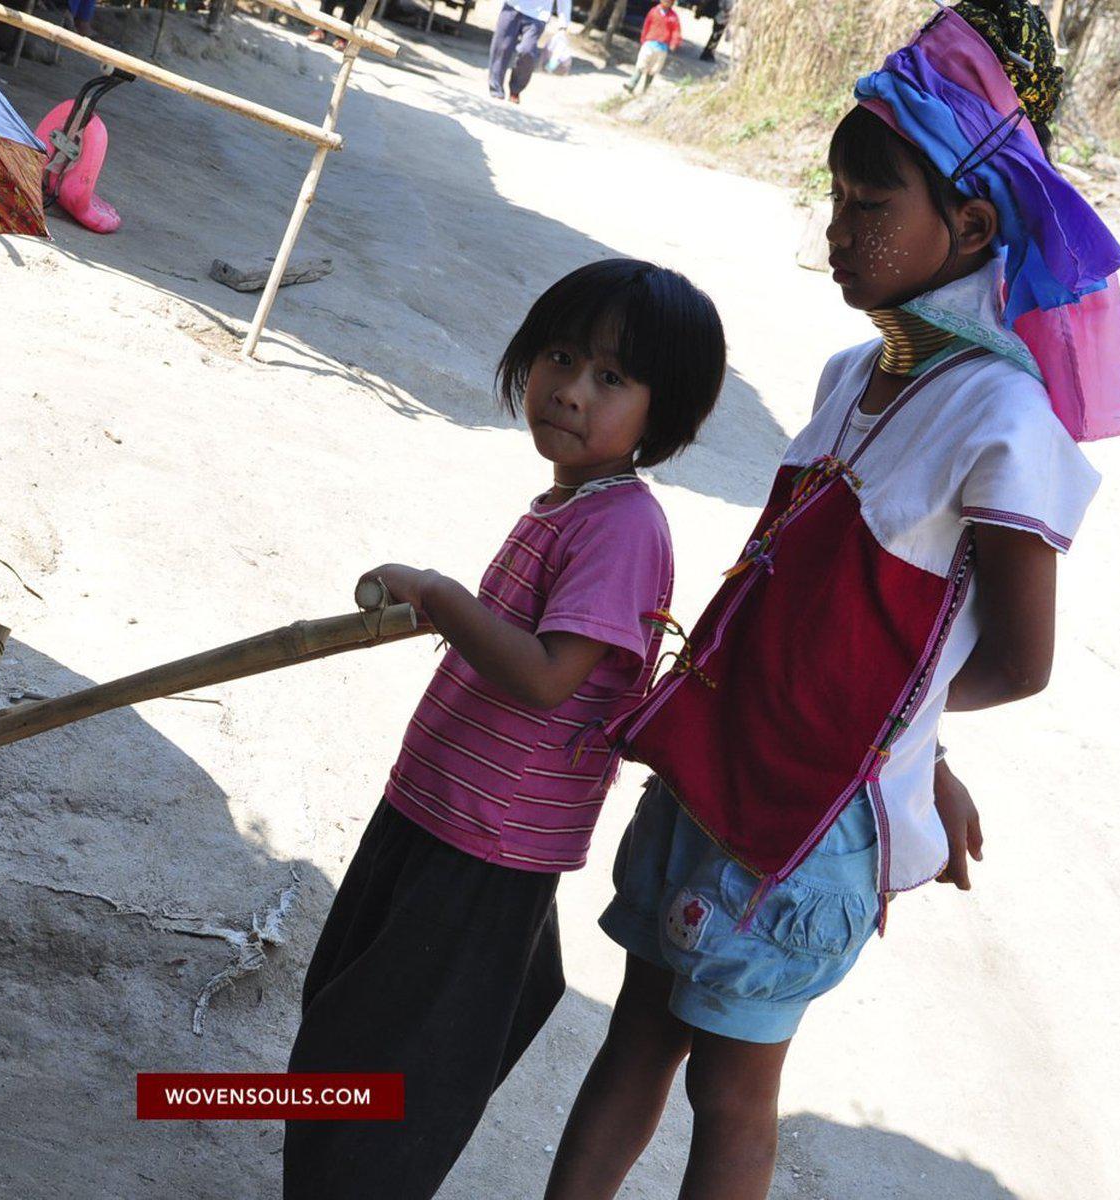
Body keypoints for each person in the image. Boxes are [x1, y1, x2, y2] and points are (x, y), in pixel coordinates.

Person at [545, 3, 1120, 1197]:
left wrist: (905, 751)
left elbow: (1018, 663)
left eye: (872, 209)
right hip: (717, 764)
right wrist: (913, 743)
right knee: (636, 1035)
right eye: (836, 199)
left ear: (968, 226)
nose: (837, 230)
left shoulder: (1005, 422)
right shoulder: (849, 374)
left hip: (806, 823)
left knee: (729, 1093)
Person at [283, 259, 728, 1200]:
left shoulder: (621, 528)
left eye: (611, 378)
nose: (569, 391)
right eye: (561, 358)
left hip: (485, 845)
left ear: (665, 413)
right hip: (435, 810)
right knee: (352, 1019)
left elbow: (546, 676)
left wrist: (443, 597)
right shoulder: (570, 503)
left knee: (389, 1061)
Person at [489, 0, 557, 103]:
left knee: (527, 51)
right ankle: (496, 88)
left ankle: (516, 89)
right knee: (501, 47)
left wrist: (563, 25)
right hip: (512, 6)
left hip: (538, 14)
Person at [624, 0, 681, 94]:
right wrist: (643, 38)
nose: (667, 2)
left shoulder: (673, 17)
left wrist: (674, 43)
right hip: (649, 43)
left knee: (653, 69)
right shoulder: (654, 11)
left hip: (662, 47)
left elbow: (676, 31)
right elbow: (647, 25)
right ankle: (632, 84)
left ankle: (645, 89)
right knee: (641, 64)